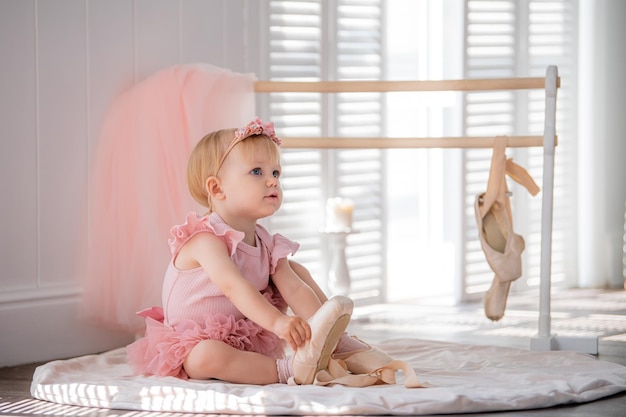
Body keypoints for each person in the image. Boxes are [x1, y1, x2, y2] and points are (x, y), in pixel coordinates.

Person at [127, 117, 418, 386]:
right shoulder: (205, 239)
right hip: (192, 341)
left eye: (276, 172)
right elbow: (234, 287)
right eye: (257, 172)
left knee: (293, 270)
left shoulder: (265, 241)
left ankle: (333, 340)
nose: (273, 181)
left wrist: (306, 320)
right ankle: (288, 371)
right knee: (207, 357)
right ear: (217, 189)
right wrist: (278, 322)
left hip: (241, 335)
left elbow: (293, 286)